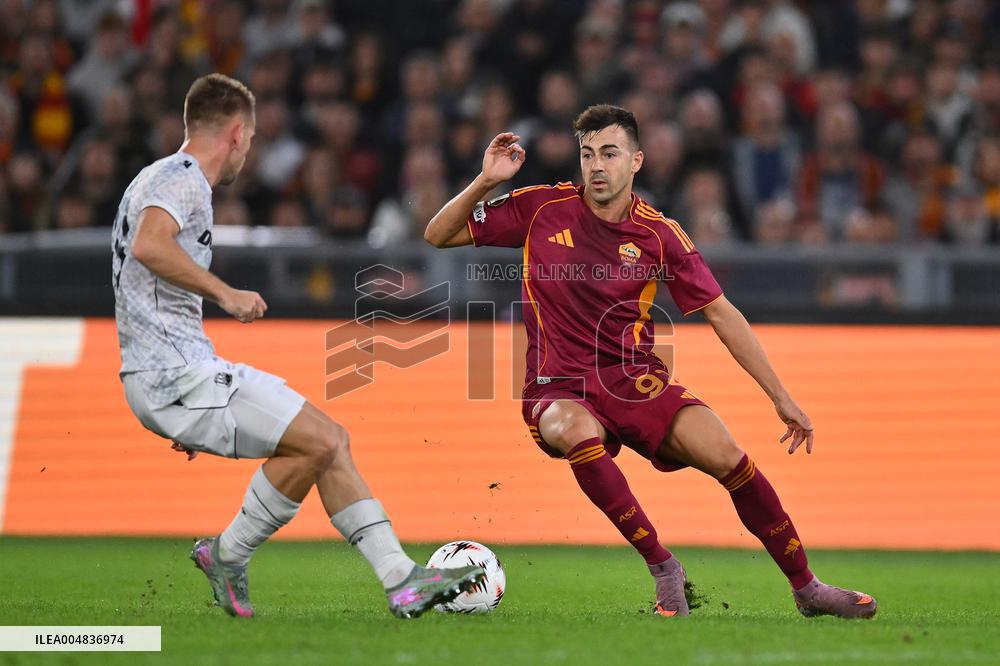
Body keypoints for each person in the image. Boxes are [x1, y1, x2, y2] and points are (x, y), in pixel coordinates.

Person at [424, 104, 876, 619]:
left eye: (609, 153)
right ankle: (663, 567)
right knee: (574, 429)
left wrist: (782, 398)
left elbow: (724, 316)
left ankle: (807, 588)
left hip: (633, 380)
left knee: (728, 455)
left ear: (635, 161)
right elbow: (438, 235)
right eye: (587, 153)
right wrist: (485, 180)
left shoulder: (659, 235)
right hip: (557, 383)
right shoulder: (541, 209)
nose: (596, 165)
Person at [111, 74, 483, 619]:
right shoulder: (184, 177)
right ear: (237, 133)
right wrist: (225, 294)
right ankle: (236, 554)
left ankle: (399, 580)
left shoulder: (155, 178)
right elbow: (148, 246)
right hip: (173, 375)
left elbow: (148, 290)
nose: (250, 150)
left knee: (321, 444)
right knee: (325, 438)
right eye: (253, 138)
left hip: (174, 373)